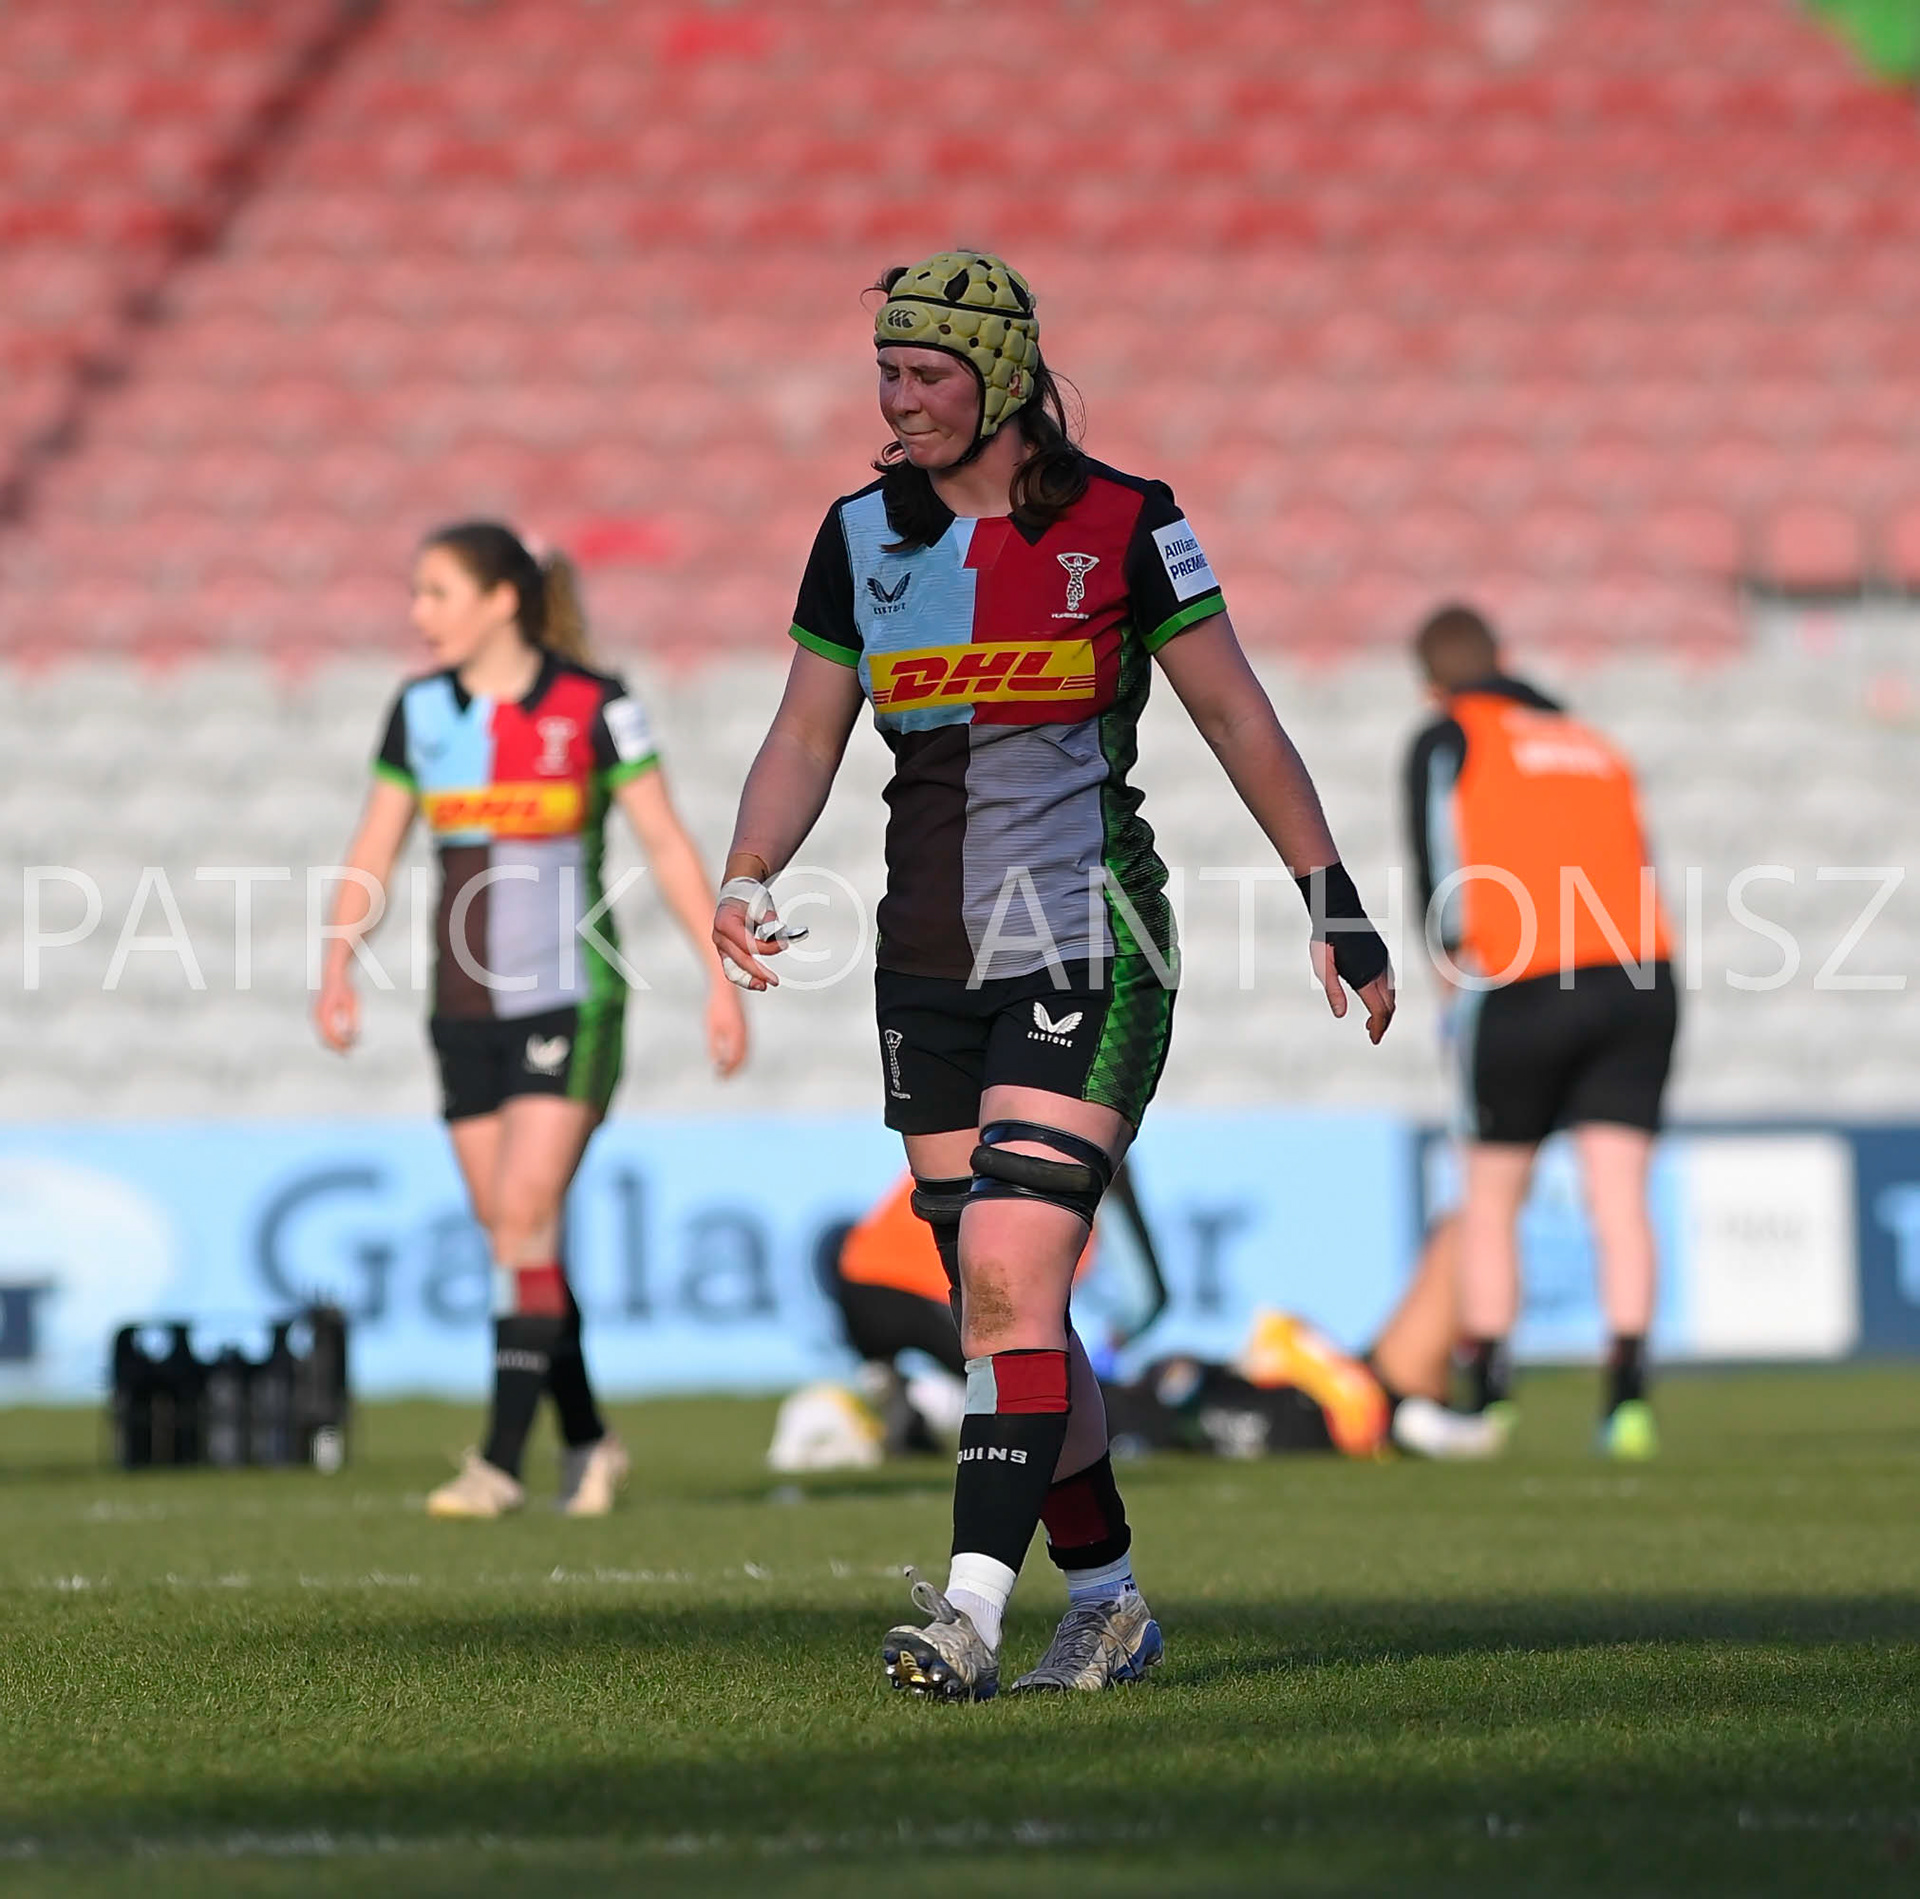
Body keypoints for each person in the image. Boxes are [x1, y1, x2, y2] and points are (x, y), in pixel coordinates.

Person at [714, 251, 1395, 1701]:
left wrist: (1331, 898)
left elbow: (1238, 715)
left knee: (1011, 1280)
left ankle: (967, 1612)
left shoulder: (1129, 523)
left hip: (1091, 944)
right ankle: (1110, 1601)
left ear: (1004, 376)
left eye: (928, 375)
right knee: (1004, 1309)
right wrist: (749, 867)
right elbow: (804, 730)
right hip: (924, 965)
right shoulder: (857, 536)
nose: (899, 401)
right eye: (886, 374)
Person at [315, 521, 747, 1517]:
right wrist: (338, 961)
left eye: (436, 592)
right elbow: (375, 847)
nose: (419, 613)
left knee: (520, 1219)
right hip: (462, 1009)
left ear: (502, 599)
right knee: (519, 1239)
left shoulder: (597, 706)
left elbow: (666, 843)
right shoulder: (419, 711)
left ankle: (500, 1463)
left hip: (571, 1000)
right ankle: (589, 1440)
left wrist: (717, 977)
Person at [1405, 602, 1678, 1458]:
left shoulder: (1450, 732)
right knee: (1620, 1196)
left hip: (1525, 978)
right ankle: (1626, 1404)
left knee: (1492, 1196)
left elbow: (1436, 857)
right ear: (1506, 655)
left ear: (1432, 682)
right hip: (1641, 973)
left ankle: (1489, 1401)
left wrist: (1448, 966)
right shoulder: (1595, 743)